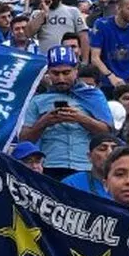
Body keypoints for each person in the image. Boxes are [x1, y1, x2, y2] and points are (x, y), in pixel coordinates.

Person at [20, 46, 114, 179]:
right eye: (55, 73)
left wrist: (81, 118)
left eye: (66, 73)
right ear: (48, 73)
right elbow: (24, 139)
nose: (61, 78)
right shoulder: (38, 100)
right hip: (50, 166)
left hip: (84, 166)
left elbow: (107, 133)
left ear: (76, 70)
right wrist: (44, 122)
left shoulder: (93, 95)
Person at [61, 133, 121, 198]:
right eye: (102, 149)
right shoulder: (72, 184)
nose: (109, 153)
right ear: (89, 156)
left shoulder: (127, 184)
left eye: (115, 150)